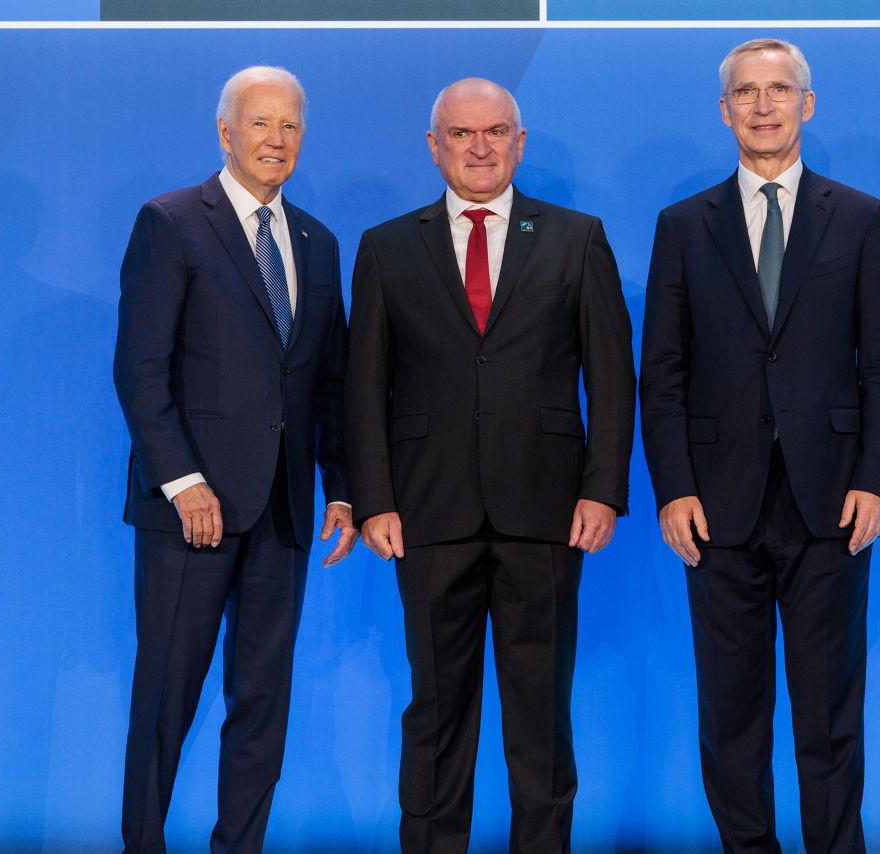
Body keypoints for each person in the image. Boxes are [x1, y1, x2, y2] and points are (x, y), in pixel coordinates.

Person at [345, 77, 635, 854]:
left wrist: (604, 488)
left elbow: (612, 375)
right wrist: (374, 499)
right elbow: (364, 384)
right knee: (436, 711)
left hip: (546, 511)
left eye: (496, 132)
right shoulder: (386, 246)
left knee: (540, 713)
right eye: (463, 134)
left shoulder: (577, 237)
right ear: (434, 146)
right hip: (426, 512)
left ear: (520, 142)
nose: (480, 148)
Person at [638, 39, 880, 854]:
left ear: (808, 104)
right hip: (717, 507)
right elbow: (664, 373)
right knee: (733, 717)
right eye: (746, 93)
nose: (763, 105)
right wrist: (673, 487)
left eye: (779, 90)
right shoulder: (683, 226)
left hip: (832, 503)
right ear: (725, 112)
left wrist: (877, 482)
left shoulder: (859, 217)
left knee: (830, 718)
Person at [112, 65, 357, 854]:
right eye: (260, 123)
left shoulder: (318, 242)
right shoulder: (173, 221)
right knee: (167, 699)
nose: (275, 140)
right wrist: (183, 482)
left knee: (262, 704)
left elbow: (330, 382)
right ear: (225, 132)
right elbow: (140, 369)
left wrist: (342, 491)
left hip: (282, 513)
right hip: (192, 513)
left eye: (289, 126)